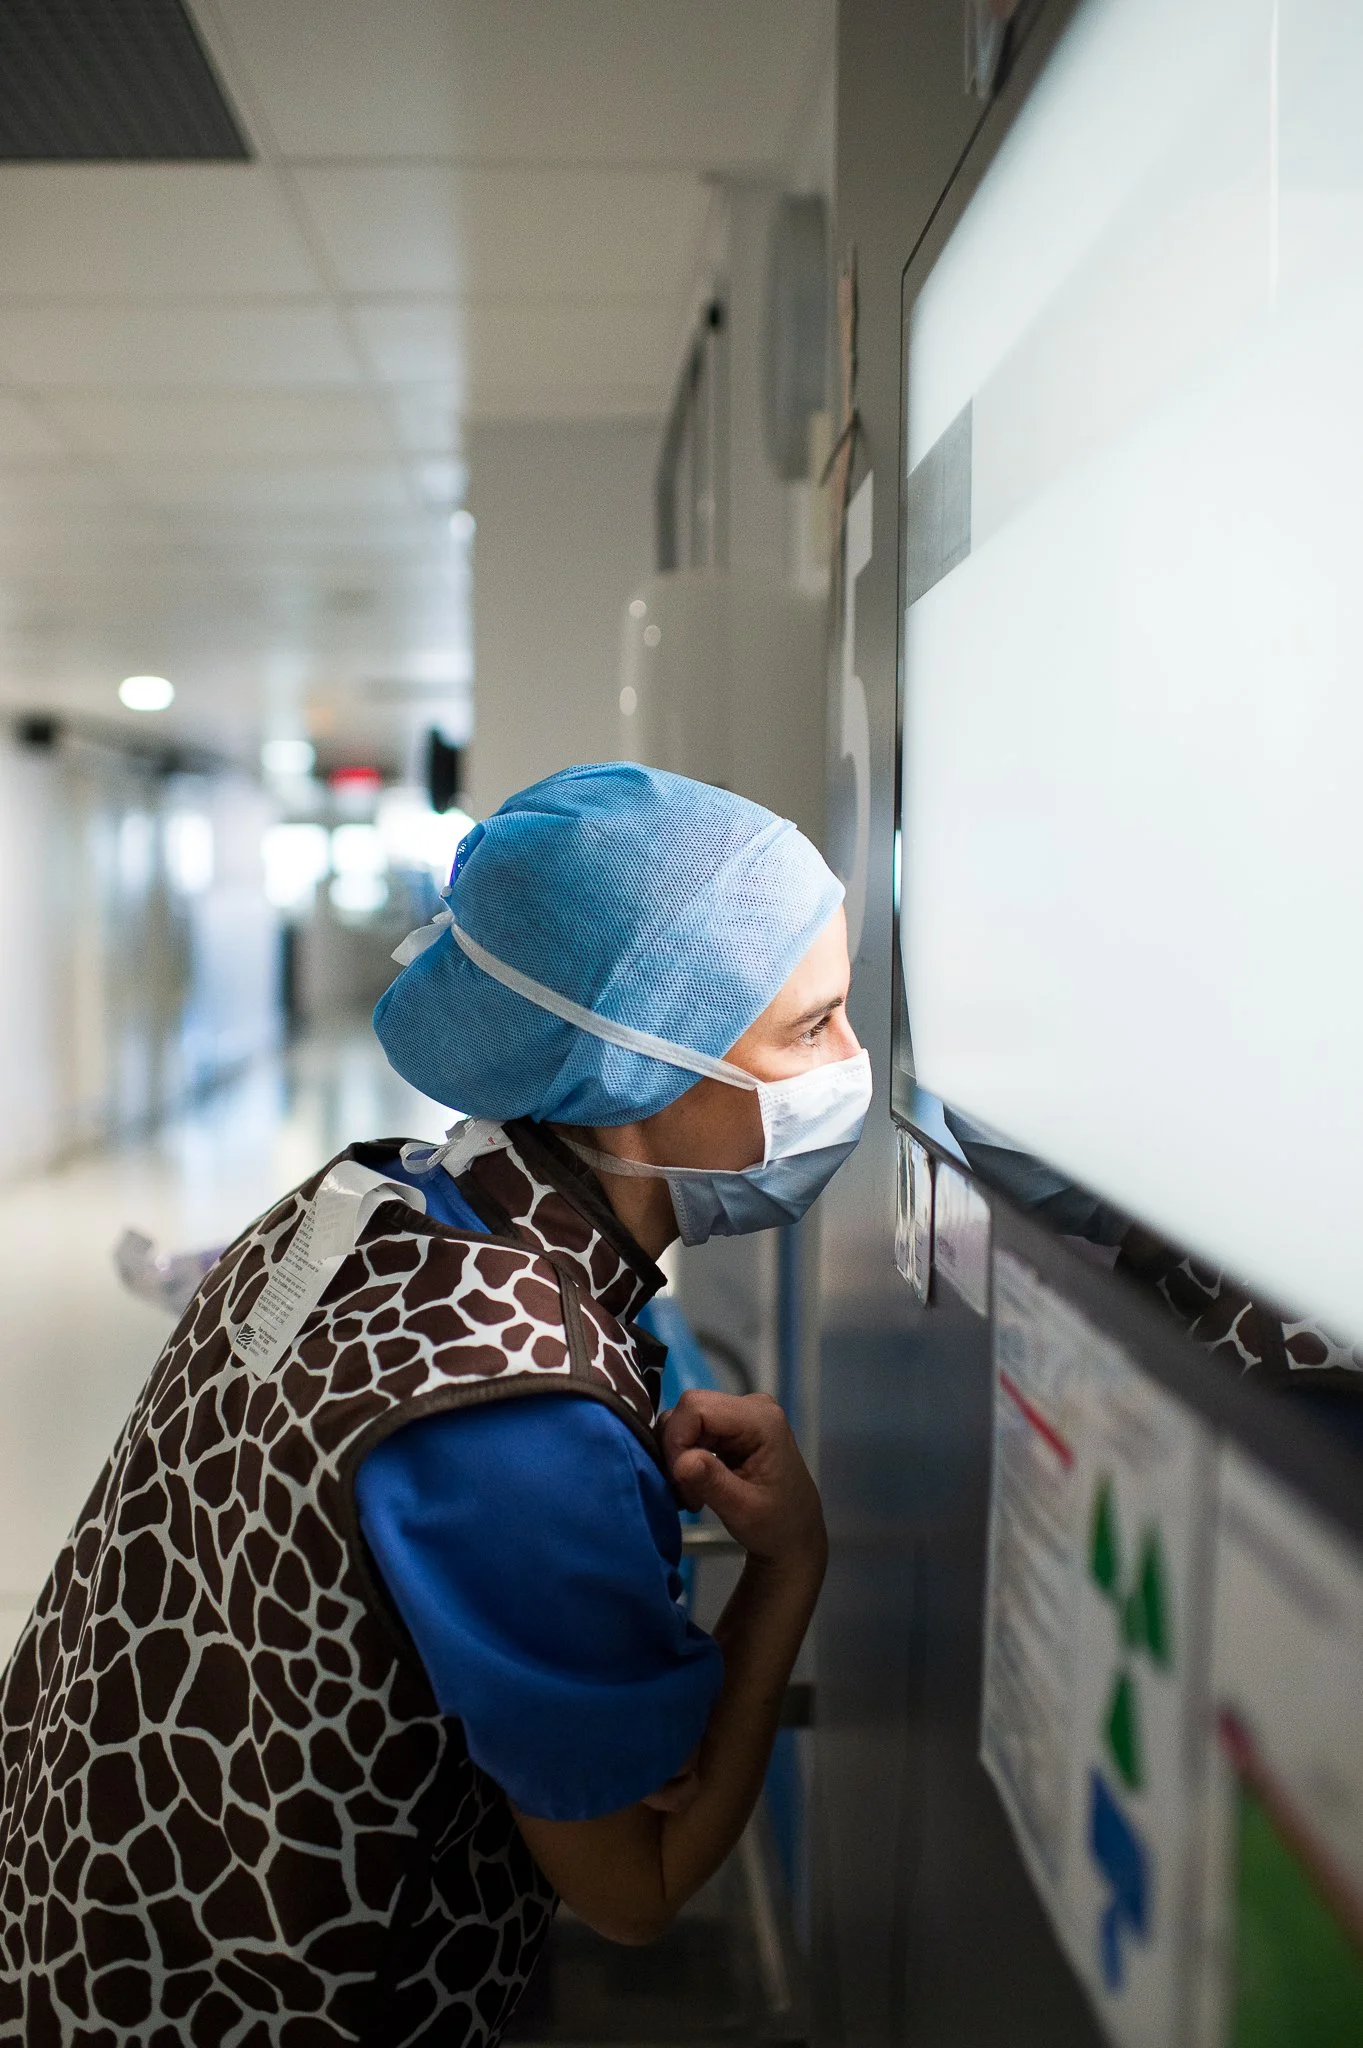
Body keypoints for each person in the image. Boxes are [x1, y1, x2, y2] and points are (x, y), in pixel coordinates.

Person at [0, 763, 871, 2048]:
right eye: (809, 1030)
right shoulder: (516, 1420)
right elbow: (636, 1881)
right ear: (634, 1063)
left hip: (80, 1908)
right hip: (257, 2005)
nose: (849, 1068)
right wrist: (790, 1563)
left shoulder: (360, 1200)